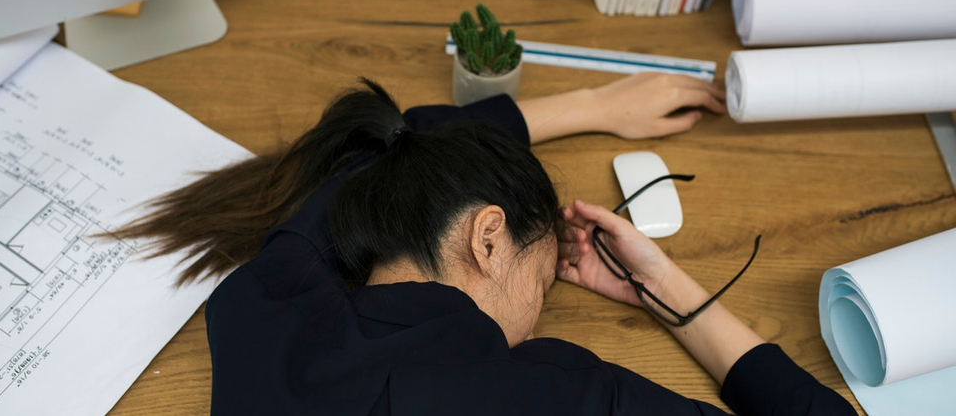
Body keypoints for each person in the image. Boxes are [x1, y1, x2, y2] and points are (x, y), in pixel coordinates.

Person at [114, 73, 856, 415]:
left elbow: (384, 147)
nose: (537, 312)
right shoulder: (550, 393)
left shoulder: (264, 299)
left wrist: (598, 104)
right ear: (489, 239)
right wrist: (666, 289)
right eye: (543, 283)